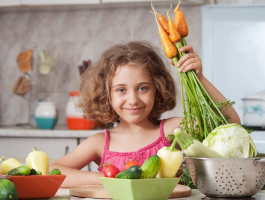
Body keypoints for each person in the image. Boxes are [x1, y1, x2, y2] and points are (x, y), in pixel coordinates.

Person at [49, 41, 240, 187]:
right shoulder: (100, 142)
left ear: (158, 89)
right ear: (106, 95)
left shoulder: (172, 130)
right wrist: (105, 179)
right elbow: (51, 171)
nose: (133, 100)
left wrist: (199, 78)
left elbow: (230, 125)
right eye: (121, 90)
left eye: (142, 88)